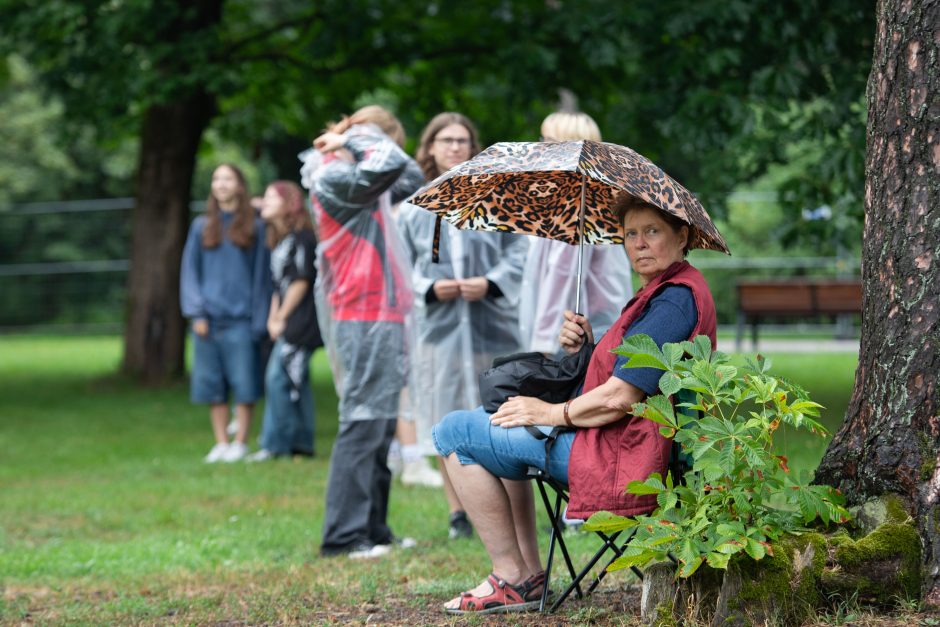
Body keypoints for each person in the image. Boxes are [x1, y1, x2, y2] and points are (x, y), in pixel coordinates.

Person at [432, 196, 717, 613]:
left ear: (682, 236)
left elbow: (621, 396)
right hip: (622, 444)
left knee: (453, 432)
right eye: (631, 234)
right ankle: (525, 574)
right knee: (494, 421)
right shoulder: (664, 293)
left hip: (625, 457)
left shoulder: (674, 300)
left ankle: (512, 576)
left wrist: (548, 413)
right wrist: (589, 345)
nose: (639, 244)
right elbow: (633, 371)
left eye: (652, 232)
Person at [397, 112, 529, 539]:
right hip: (438, 327)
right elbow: (399, 267)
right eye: (446, 140)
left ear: (473, 147)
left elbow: (518, 252)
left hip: (491, 323)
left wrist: (490, 283)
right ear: (430, 147)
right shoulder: (415, 206)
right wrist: (431, 288)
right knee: (443, 409)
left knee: (498, 408)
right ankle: (459, 512)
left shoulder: (497, 198)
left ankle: (506, 502)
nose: (454, 147)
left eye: (462, 140)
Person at [302, 105, 424, 559]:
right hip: (360, 311)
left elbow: (409, 176)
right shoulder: (332, 177)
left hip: (384, 310)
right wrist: (357, 137)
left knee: (381, 422)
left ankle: (373, 529)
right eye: (383, 138)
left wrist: (361, 139)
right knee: (362, 420)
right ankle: (343, 536)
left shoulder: (364, 178)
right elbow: (391, 163)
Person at [519, 111, 633, 356]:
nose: (539, 147)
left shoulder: (576, 202)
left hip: (579, 330)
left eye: (547, 141)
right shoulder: (582, 196)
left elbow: (562, 276)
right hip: (584, 324)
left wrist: (542, 345)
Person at [180, 164, 271, 463]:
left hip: (242, 321)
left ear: (240, 186)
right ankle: (220, 443)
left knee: (244, 383)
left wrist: (259, 321)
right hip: (209, 320)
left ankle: (240, 443)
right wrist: (197, 314)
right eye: (216, 179)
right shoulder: (201, 227)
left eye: (227, 179)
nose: (221, 184)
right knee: (212, 385)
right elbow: (190, 273)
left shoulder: (255, 228)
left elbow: (262, 279)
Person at [247, 181, 322, 462]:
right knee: (295, 378)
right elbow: (279, 285)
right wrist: (272, 317)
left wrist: (280, 317)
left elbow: (300, 282)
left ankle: (274, 443)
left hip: (301, 322)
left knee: (277, 378)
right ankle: (302, 443)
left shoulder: (303, 238)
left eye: (270, 197)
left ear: (288, 203)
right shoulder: (280, 239)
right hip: (287, 319)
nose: (264, 201)